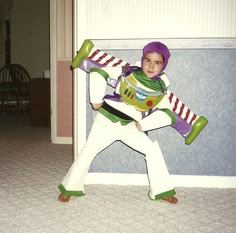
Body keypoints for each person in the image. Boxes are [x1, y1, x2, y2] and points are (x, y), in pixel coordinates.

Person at [58, 41, 178, 204]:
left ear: (164, 65)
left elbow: (168, 115)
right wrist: (95, 99)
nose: (151, 66)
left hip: (131, 127)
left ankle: (161, 190)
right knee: (88, 151)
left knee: (152, 150)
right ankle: (70, 188)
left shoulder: (161, 89)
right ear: (142, 59)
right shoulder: (128, 71)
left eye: (157, 62)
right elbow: (99, 72)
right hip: (107, 121)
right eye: (147, 60)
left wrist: (145, 124)